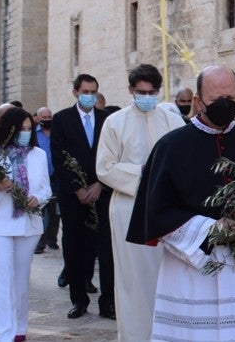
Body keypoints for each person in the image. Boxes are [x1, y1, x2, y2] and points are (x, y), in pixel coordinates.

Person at [126, 64, 235, 341]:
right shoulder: (171, 147)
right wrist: (209, 229)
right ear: (198, 101)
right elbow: (157, 211)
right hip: (192, 267)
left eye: (230, 99)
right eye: (216, 100)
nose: (224, 105)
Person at [96, 63, 185, 341]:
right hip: (129, 207)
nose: (147, 97)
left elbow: (184, 163)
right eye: (141, 92)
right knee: (132, 278)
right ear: (131, 90)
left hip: (167, 209)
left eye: (152, 92)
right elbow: (105, 168)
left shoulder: (173, 121)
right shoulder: (115, 122)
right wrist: (144, 175)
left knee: (168, 274)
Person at [0, 106, 52, 342]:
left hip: (28, 223)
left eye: (29, 129)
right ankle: (3, 334)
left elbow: (46, 188)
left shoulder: (38, 154)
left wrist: (37, 198)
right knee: (2, 279)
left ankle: (19, 329)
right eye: (21, 129)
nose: (26, 133)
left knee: (20, 279)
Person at [51, 73, 115, 320]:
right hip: (73, 197)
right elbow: (59, 157)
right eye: (85, 92)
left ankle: (108, 302)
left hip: (101, 193)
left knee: (105, 248)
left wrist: (100, 183)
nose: (89, 96)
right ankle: (78, 299)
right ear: (76, 92)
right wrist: (77, 188)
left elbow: (112, 154)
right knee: (75, 247)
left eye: (93, 92)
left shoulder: (107, 119)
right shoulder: (62, 119)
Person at [33, 108, 60, 254]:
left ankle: (52, 239)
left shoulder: (57, 132)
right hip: (40, 177)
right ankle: (39, 243)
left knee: (55, 212)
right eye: (44, 117)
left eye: (49, 117)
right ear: (38, 118)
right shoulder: (33, 134)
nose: (47, 119)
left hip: (55, 177)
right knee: (40, 211)